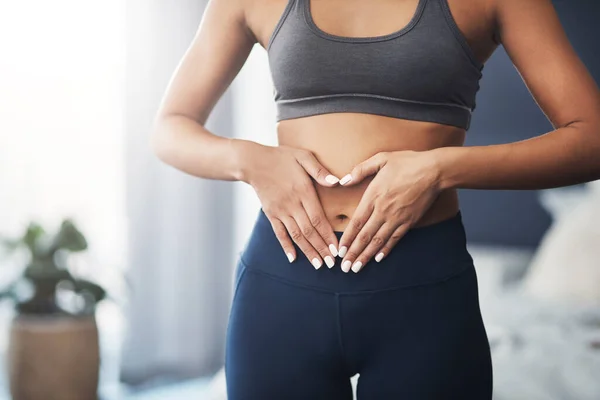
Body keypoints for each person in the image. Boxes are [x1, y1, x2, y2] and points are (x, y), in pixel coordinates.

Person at [151, 0, 600, 398]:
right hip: (282, 283)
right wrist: (250, 160)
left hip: (421, 292)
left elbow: (591, 140)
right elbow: (171, 127)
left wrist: (437, 169)